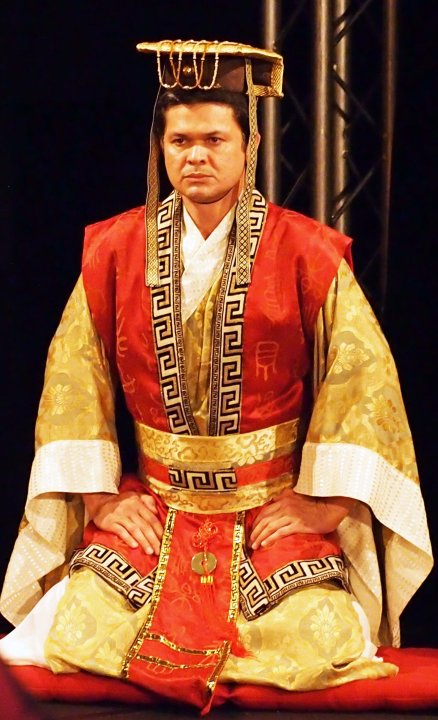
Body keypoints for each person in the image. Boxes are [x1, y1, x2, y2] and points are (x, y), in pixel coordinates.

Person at [0, 39, 433, 713]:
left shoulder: (304, 250)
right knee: (69, 627)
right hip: (159, 507)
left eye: (213, 139)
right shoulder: (116, 249)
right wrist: (102, 501)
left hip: (267, 512)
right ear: (160, 147)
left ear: (248, 144)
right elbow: (73, 380)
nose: (195, 156)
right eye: (179, 141)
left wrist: (325, 506)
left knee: (319, 640)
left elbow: (363, 380)